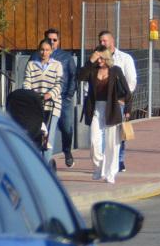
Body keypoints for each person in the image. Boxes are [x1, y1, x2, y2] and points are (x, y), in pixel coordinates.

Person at [79, 46, 130, 184]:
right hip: (96, 108)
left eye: (101, 57)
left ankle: (110, 173)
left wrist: (127, 110)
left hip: (112, 108)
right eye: (97, 57)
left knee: (113, 144)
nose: (99, 60)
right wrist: (90, 61)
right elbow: (80, 76)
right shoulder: (92, 70)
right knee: (94, 142)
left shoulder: (115, 70)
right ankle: (99, 168)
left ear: (107, 57)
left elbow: (127, 91)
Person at [99, 30, 137, 172]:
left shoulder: (124, 58)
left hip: (118, 102)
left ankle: (119, 160)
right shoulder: (97, 59)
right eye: (100, 41)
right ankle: (104, 160)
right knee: (102, 133)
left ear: (112, 41)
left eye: (104, 41)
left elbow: (131, 81)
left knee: (119, 133)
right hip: (102, 101)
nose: (102, 43)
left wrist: (123, 99)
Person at [22, 38, 63, 166]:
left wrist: (50, 94)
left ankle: (46, 165)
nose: (44, 52)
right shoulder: (31, 65)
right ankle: (37, 163)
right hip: (36, 105)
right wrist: (31, 95)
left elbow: (59, 84)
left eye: (47, 50)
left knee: (48, 136)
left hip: (52, 105)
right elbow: (26, 82)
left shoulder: (57, 65)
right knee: (36, 134)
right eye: (42, 50)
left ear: (51, 51)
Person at [44, 28, 78, 168]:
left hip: (63, 98)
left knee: (66, 128)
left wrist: (69, 95)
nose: (52, 42)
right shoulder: (37, 56)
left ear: (59, 41)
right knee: (44, 129)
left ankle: (67, 151)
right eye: (49, 39)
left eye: (55, 40)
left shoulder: (66, 57)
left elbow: (73, 76)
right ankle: (45, 157)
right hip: (45, 99)